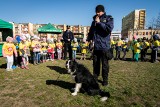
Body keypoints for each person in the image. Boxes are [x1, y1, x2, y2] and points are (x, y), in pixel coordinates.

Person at [87, 5, 114, 86]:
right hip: (96, 47)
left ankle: (105, 80)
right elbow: (91, 32)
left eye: (98, 12)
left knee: (105, 65)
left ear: (102, 11)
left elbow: (109, 29)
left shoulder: (109, 18)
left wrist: (99, 23)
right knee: (95, 64)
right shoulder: (94, 21)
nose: (97, 13)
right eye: (96, 12)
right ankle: (95, 79)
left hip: (105, 46)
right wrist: (89, 39)